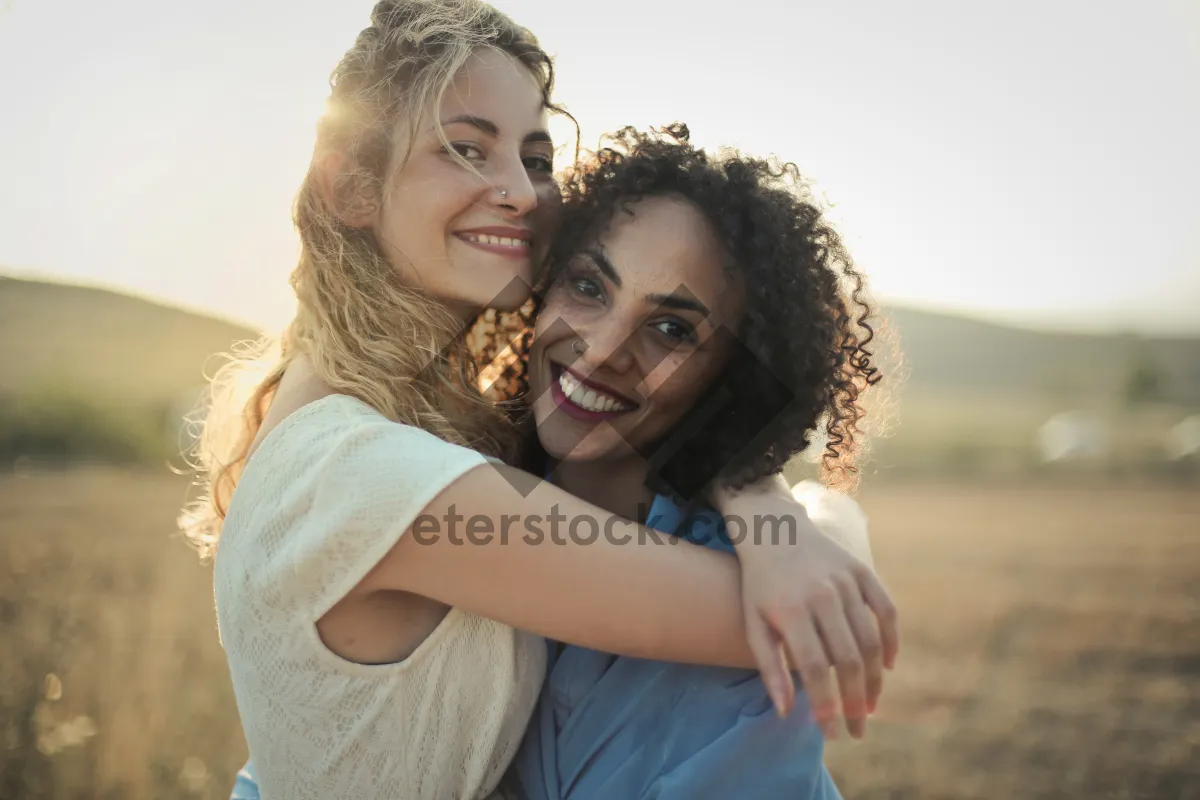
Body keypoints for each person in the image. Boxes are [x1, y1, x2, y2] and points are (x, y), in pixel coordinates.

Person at [182, 3, 898, 798]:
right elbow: (800, 621)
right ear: (351, 185)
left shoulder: (377, 424)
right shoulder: (366, 469)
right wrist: (788, 511)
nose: (520, 193)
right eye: (466, 148)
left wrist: (746, 479)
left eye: (534, 155)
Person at [500, 124, 883, 799]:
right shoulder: (456, 491)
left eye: (672, 329)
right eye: (589, 287)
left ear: (727, 379)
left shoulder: (756, 620)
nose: (601, 350)